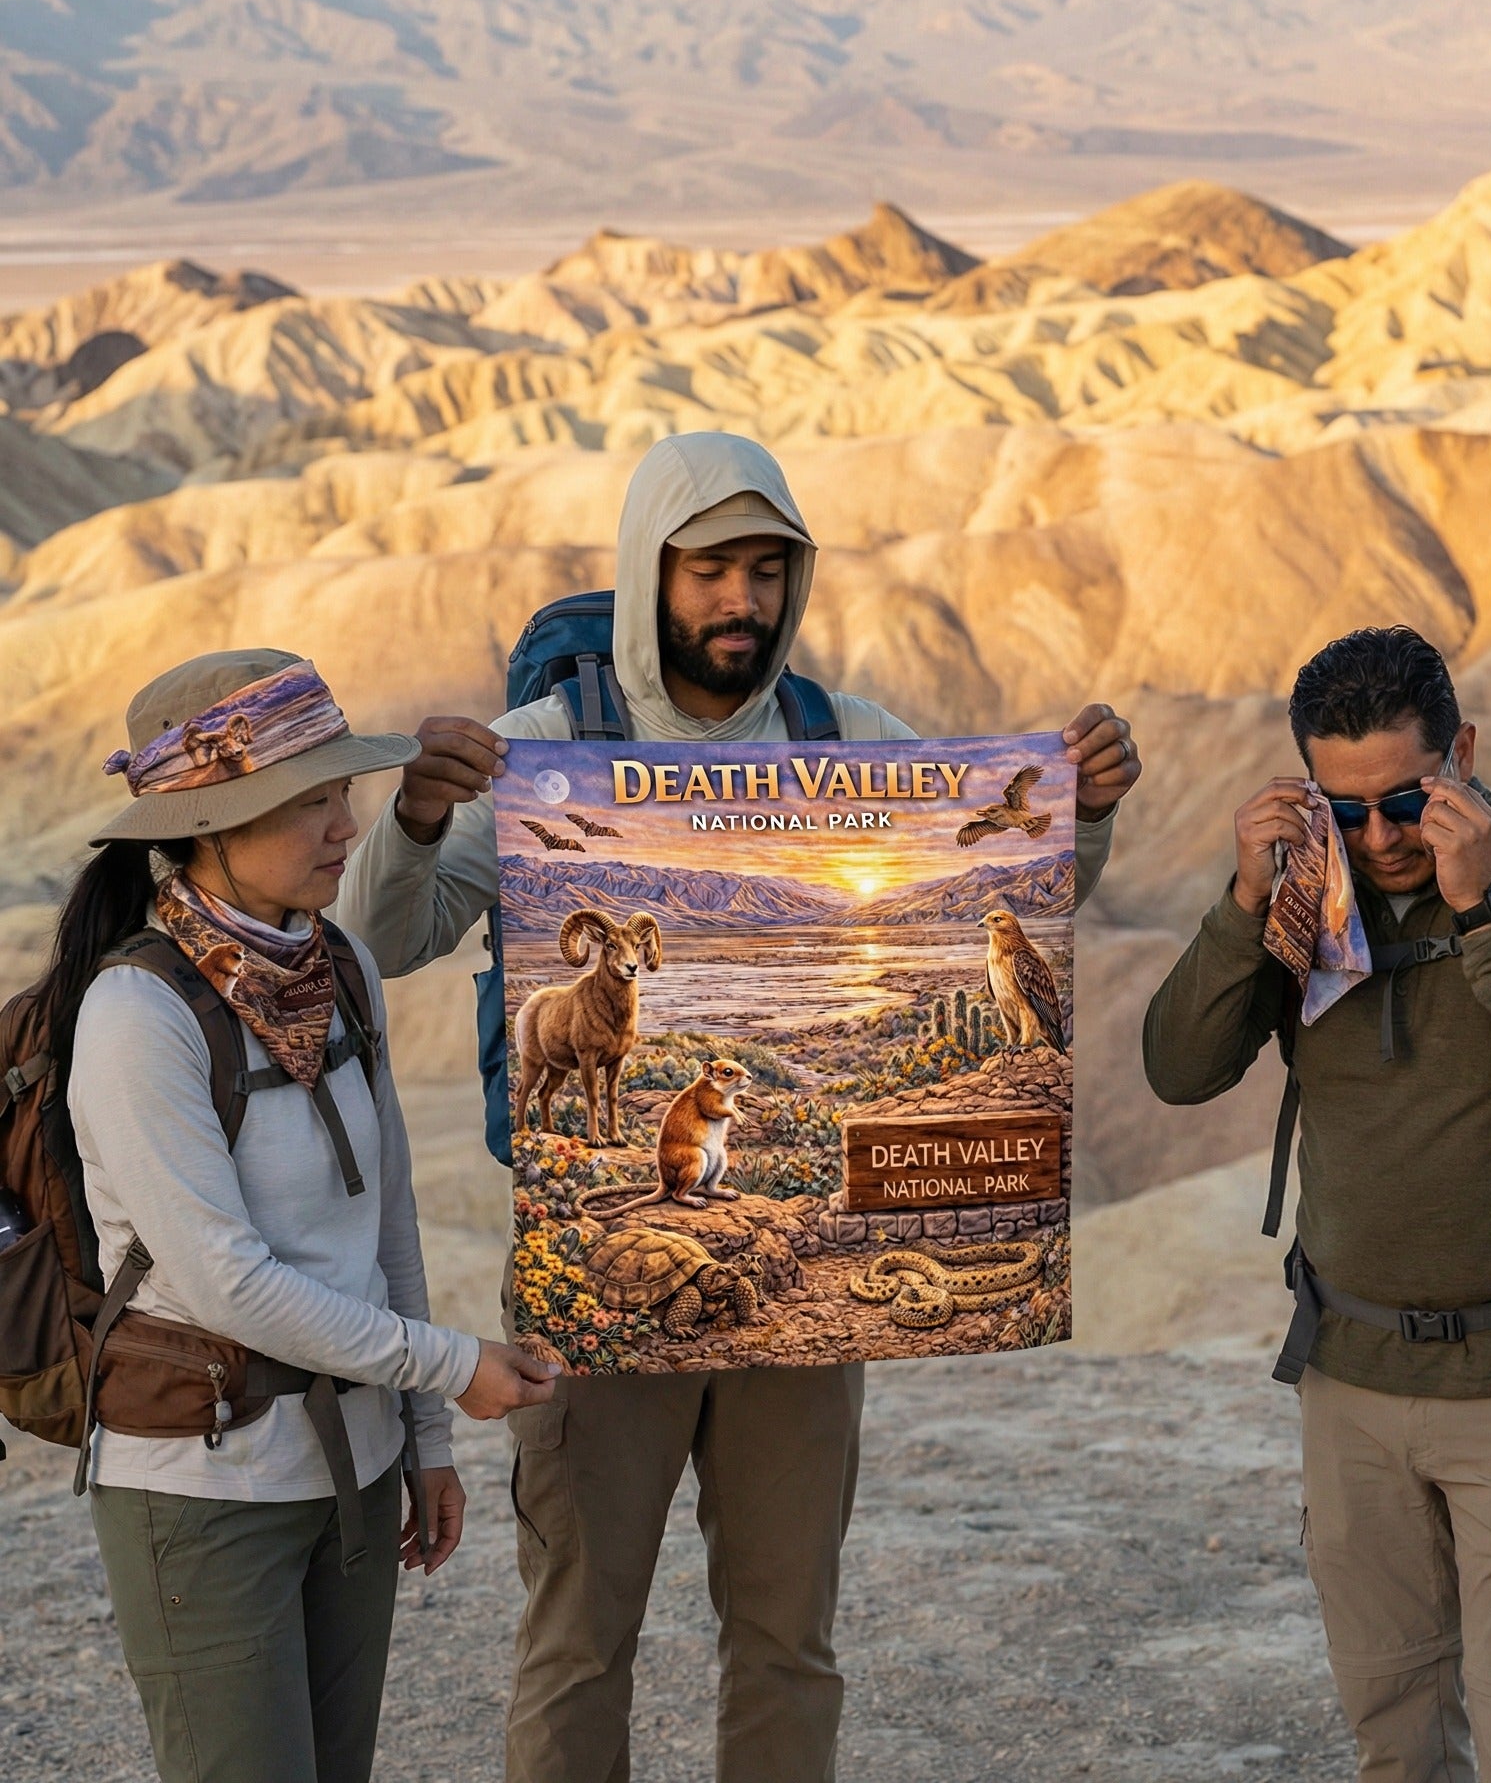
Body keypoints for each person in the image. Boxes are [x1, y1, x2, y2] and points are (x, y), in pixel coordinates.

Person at [334, 429, 1142, 1783]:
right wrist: (414, 823)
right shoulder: (547, 752)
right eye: (710, 569)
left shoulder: (848, 746)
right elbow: (382, 941)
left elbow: (1001, 899)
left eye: (767, 572)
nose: (740, 601)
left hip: (799, 1309)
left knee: (788, 1637)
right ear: (653, 572)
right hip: (594, 1284)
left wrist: (1089, 811)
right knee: (582, 1635)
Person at [1144, 625, 1491, 1783]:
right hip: (1350, 1377)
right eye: (1345, 806)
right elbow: (1177, 1068)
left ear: (1460, 751)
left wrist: (1482, 914)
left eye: (1405, 799)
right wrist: (1240, 897)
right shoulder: (1304, 898)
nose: (1377, 836)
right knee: (1395, 1737)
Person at [51, 648, 556, 1783]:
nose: (341, 824)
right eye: (304, 799)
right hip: (202, 1483)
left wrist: (420, 1439)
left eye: (341, 789)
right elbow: (227, 1280)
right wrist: (448, 1365)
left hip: (356, 1471)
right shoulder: (138, 1014)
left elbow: (386, 1225)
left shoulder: (343, 970)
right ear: (206, 825)